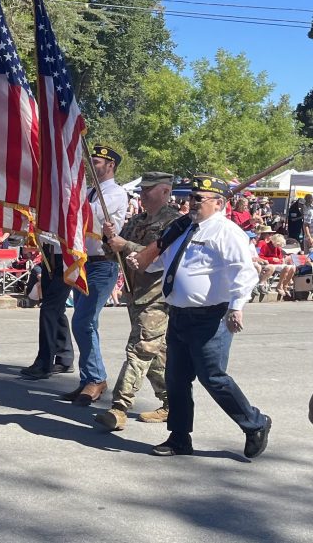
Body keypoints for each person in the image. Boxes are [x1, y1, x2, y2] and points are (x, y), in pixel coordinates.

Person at [127, 174, 271, 459]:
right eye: (191, 197)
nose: (191, 203)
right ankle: (179, 437)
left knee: (213, 377)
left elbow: (244, 272)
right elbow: (171, 262)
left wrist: (236, 307)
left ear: (218, 203)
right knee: (176, 379)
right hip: (179, 315)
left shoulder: (227, 232)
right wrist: (145, 260)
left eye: (199, 199)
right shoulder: (183, 228)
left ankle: (255, 422)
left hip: (211, 317)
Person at [95, 171, 180, 431]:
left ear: (165, 191)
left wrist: (126, 244)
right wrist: (109, 238)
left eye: (149, 189)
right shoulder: (138, 220)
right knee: (155, 354)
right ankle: (171, 403)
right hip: (136, 294)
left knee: (139, 350)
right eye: (141, 189)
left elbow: (161, 256)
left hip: (158, 296)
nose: (142, 194)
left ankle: (119, 408)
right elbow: (113, 254)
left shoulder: (174, 222)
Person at [62, 144, 128, 406]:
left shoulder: (115, 193)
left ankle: (96, 378)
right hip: (84, 262)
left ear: (110, 165)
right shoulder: (89, 191)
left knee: (83, 322)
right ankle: (88, 378)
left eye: (96, 163)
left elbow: (89, 217)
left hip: (102, 264)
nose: (92, 167)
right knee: (86, 323)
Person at [19, 233, 75, 379]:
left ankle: (44, 363)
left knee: (49, 309)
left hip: (67, 256)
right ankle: (65, 358)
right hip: (49, 255)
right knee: (56, 309)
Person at [259, 233, 296, 297]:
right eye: (279, 244)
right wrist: (272, 259)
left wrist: (281, 260)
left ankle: (284, 285)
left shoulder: (278, 248)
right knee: (285, 267)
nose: (279, 246)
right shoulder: (266, 246)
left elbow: (280, 258)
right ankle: (280, 286)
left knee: (292, 267)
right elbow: (261, 257)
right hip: (269, 264)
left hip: (277, 264)